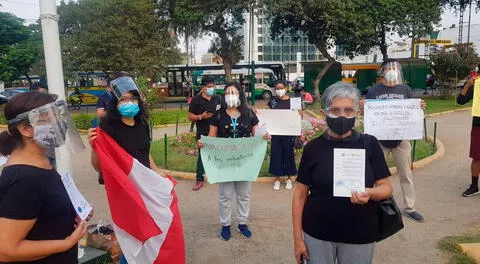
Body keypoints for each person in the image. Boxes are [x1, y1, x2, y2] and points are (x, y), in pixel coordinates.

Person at [293, 82, 393, 264]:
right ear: (324, 113)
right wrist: (298, 239)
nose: (342, 115)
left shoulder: (370, 144)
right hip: (317, 233)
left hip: (360, 232)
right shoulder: (313, 148)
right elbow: (299, 195)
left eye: (348, 110)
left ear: (356, 112)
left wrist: (370, 193)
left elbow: (386, 188)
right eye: (335, 110)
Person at [0, 92, 89, 263]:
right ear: (25, 129)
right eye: (47, 118)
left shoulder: (41, 162)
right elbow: (5, 250)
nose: (58, 123)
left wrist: (75, 211)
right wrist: (67, 243)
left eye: (58, 116)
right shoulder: (24, 180)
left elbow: (42, 210)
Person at [88, 76, 164, 264]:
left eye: (133, 98)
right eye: (123, 99)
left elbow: (145, 151)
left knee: (150, 230)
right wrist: (94, 148)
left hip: (145, 186)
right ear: (115, 102)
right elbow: (99, 167)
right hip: (124, 190)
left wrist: (157, 173)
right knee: (132, 235)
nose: (129, 103)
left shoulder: (142, 123)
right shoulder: (108, 127)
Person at [197, 82, 269, 241]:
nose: (230, 95)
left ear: (240, 95)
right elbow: (211, 136)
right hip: (225, 162)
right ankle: (225, 225)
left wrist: (264, 136)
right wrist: (204, 143)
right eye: (228, 92)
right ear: (224, 96)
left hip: (245, 162)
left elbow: (257, 133)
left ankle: (242, 223)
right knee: (225, 195)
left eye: (234, 92)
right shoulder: (218, 115)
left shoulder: (249, 114)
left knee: (244, 195)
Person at [364, 59, 426, 223]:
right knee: (375, 174)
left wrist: (419, 108)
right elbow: (369, 115)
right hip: (379, 140)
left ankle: (409, 207)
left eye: (395, 68)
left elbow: (411, 112)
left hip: (401, 139)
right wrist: (365, 108)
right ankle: (374, 205)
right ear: (382, 72)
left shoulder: (405, 89)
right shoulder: (373, 91)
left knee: (406, 174)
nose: (392, 71)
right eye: (388, 68)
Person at [188, 77, 222, 191]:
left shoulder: (218, 98)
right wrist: (201, 116)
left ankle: (219, 175)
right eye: (209, 87)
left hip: (218, 131)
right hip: (203, 131)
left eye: (213, 86)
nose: (212, 89)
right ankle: (199, 179)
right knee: (202, 156)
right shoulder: (196, 100)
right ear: (203, 88)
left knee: (218, 154)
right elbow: (190, 117)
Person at [268, 80, 297, 190]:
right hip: (276, 133)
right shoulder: (273, 102)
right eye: (277, 88)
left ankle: (289, 178)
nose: (279, 90)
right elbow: (268, 114)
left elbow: (298, 116)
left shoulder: (294, 101)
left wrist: (300, 114)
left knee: (289, 154)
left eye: (281, 87)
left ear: (286, 88)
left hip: (289, 133)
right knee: (276, 154)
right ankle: (277, 179)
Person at [457, 74, 480, 197]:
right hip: (478, 125)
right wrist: (467, 85)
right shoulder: (476, 85)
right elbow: (460, 101)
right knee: (477, 157)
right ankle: (474, 186)